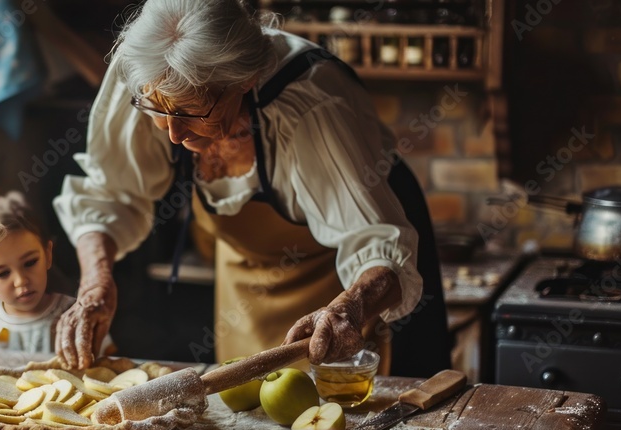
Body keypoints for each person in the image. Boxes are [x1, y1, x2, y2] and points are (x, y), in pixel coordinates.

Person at [52, 0, 450, 377]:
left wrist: (351, 308)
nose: (173, 134)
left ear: (243, 81)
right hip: (247, 282)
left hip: (350, 271)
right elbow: (110, 195)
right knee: (250, 412)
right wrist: (95, 284)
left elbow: (375, 243)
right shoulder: (146, 70)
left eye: (192, 111)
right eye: (160, 110)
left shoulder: (311, 104)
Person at [0, 191, 115, 359]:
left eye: (30, 263)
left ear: (47, 255)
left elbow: (109, 360)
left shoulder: (73, 315)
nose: (21, 280)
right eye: (2, 273)